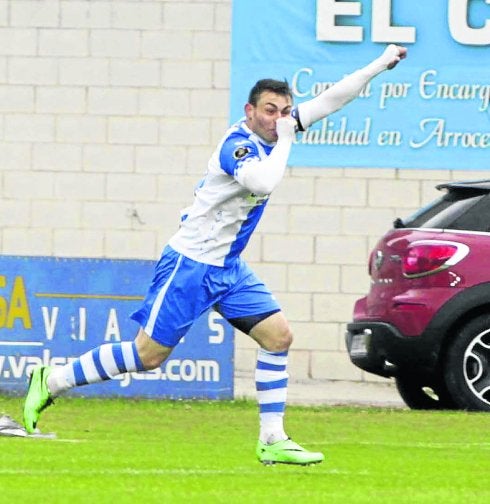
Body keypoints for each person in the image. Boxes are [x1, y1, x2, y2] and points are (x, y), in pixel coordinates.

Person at [23, 44, 407, 465]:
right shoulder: (238, 146)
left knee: (278, 336)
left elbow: (333, 98)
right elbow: (263, 182)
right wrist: (288, 137)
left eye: (284, 110)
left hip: (228, 268)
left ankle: (273, 439)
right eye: (269, 110)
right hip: (190, 265)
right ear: (249, 111)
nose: (278, 118)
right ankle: (51, 379)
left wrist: (380, 64)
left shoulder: (278, 130)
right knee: (148, 356)